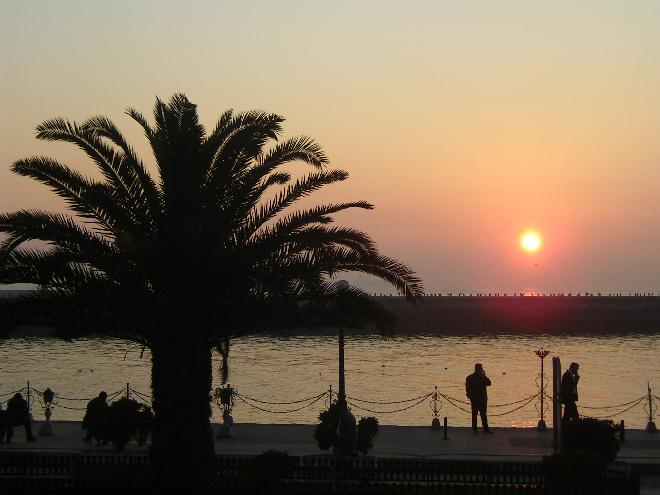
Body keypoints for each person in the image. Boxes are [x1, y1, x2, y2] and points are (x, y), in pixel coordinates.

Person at [466, 363, 492, 433]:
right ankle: (485, 428)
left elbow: (467, 388)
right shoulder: (482, 377)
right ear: (480, 369)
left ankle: (474, 429)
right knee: (483, 414)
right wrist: (484, 375)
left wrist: (469, 395)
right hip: (482, 398)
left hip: (474, 398)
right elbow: (489, 383)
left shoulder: (469, 377)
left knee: (474, 413)